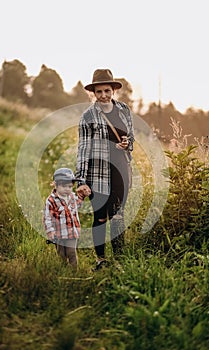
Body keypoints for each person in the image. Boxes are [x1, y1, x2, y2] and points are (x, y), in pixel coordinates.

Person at [75, 68, 135, 270]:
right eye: (99, 91)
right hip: (98, 173)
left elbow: (131, 137)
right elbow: (83, 149)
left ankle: (120, 260)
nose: (103, 95)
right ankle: (101, 260)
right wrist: (81, 179)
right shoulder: (88, 116)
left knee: (118, 214)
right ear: (93, 92)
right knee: (100, 216)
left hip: (121, 171)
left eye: (107, 90)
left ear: (113, 90)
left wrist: (128, 144)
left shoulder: (124, 110)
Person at [43, 167, 90, 268]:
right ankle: (63, 269)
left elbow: (78, 205)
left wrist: (82, 196)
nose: (67, 189)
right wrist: (50, 231)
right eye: (64, 186)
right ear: (56, 185)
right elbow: (47, 217)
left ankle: (74, 271)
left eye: (70, 186)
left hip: (72, 233)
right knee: (61, 255)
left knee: (72, 253)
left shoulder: (72, 197)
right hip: (58, 234)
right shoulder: (51, 200)